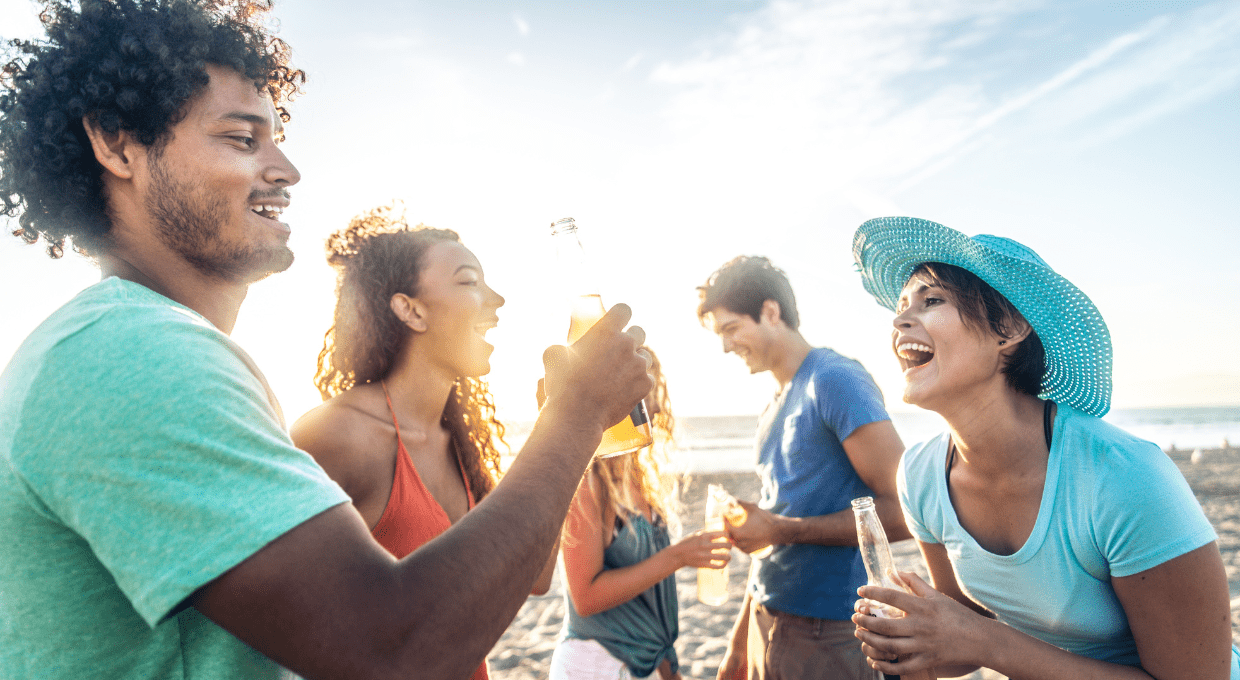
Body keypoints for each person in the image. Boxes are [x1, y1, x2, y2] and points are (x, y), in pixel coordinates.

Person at [0, 2, 652, 678]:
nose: (286, 170)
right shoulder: (128, 356)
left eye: (277, 139)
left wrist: (565, 423)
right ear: (117, 144)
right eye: (241, 138)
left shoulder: (132, 346)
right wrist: (574, 417)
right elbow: (388, 647)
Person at [850, 216, 1239, 679]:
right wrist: (917, 641)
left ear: (1009, 327)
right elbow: (962, 640)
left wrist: (985, 640)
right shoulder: (919, 476)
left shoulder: (1123, 477)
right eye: (900, 306)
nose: (899, 320)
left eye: (932, 300)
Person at [290, 207, 558, 680]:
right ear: (410, 309)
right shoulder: (338, 436)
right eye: (470, 281)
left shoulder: (458, 442)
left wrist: (563, 427)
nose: (498, 300)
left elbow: (533, 576)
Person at [695, 255, 909, 680]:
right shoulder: (773, 406)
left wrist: (781, 529)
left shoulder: (834, 379)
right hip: (767, 619)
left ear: (770, 312)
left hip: (827, 632)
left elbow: (905, 512)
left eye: (731, 328)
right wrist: (740, 642)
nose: (725, 346)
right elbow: (779, 516)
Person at [550, 347, 730, 680]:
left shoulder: (640, 474)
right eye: (646, 388)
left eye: (656, 385)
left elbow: (650, 598)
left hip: (647, 664)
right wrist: (677, 556)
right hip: (595, 665)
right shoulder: (588, 480)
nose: (659, 403)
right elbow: (585, 597)